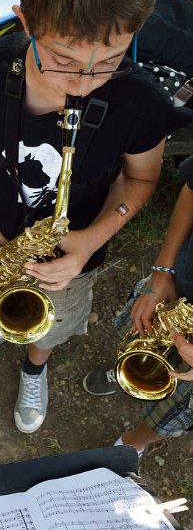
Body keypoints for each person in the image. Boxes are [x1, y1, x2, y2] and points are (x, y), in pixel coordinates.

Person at [0, 0, 191, 433]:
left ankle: (35, 364)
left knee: (52, 324)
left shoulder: (139, 101)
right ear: (26, 21)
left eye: (108, 62)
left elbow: (140, 179)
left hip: (72, 261)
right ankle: (0, 321)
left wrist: (89, 243)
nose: (83, 84)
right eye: (62, 61)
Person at [83, 156, 193, 456]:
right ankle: (128, 368)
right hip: (177, 288)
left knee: (174, 411)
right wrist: (163, 272)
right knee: (136, 333)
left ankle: (132, 445)